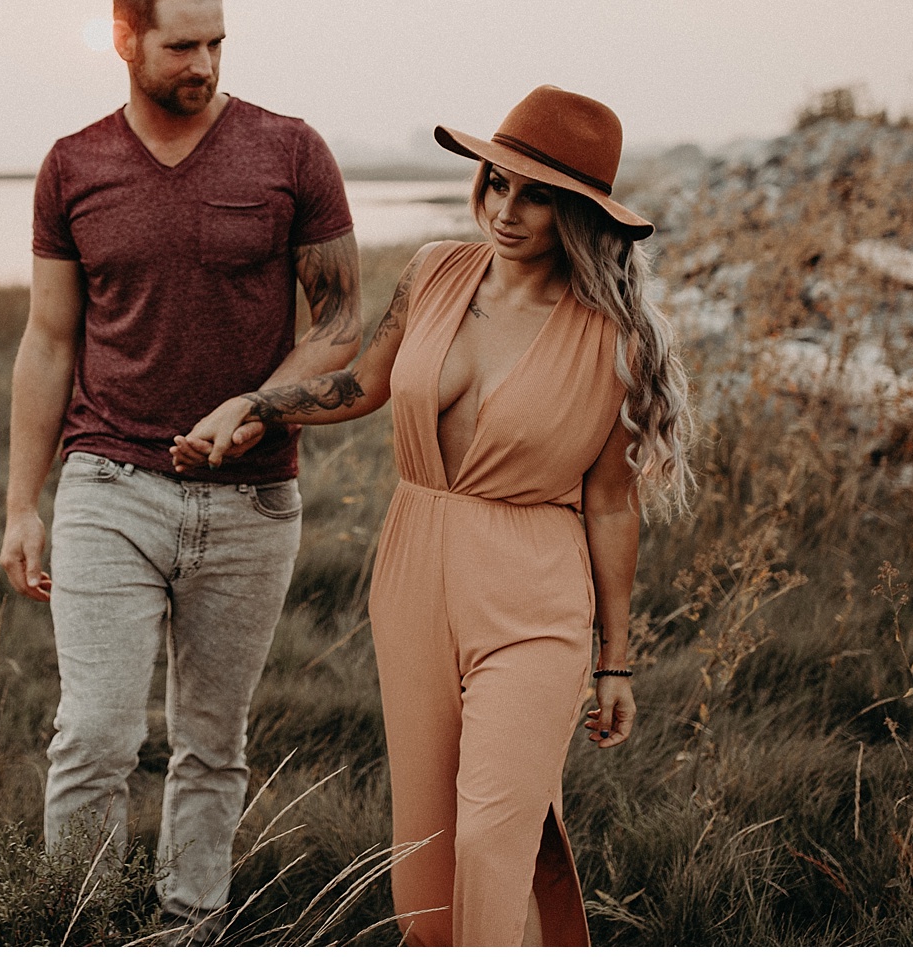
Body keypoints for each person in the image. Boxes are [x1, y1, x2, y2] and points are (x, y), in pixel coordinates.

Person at [174, 84, 693, 946]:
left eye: (538, 195)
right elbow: (366, 383)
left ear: (580, 213)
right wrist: (258, 404)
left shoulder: (615, 339)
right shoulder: (435, 271)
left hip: (533, 593)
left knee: (495, 835)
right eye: (497, 182)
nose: (507, 208)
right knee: (426, 847)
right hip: (413, 574)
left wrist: (617, 660)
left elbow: (609, 503)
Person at [0, 0, 363, 932]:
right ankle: (70, 924)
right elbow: (48, 338)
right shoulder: (73, 166)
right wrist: (20, 503)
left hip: (252, 501)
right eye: (179, 43)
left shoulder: (289, 151)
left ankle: (186, 925)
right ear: (123, 38)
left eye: (214, 41)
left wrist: (257, 403)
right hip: (108, 483)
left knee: (212, 739)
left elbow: (336, 323)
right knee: (96, 732)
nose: (202, 62)